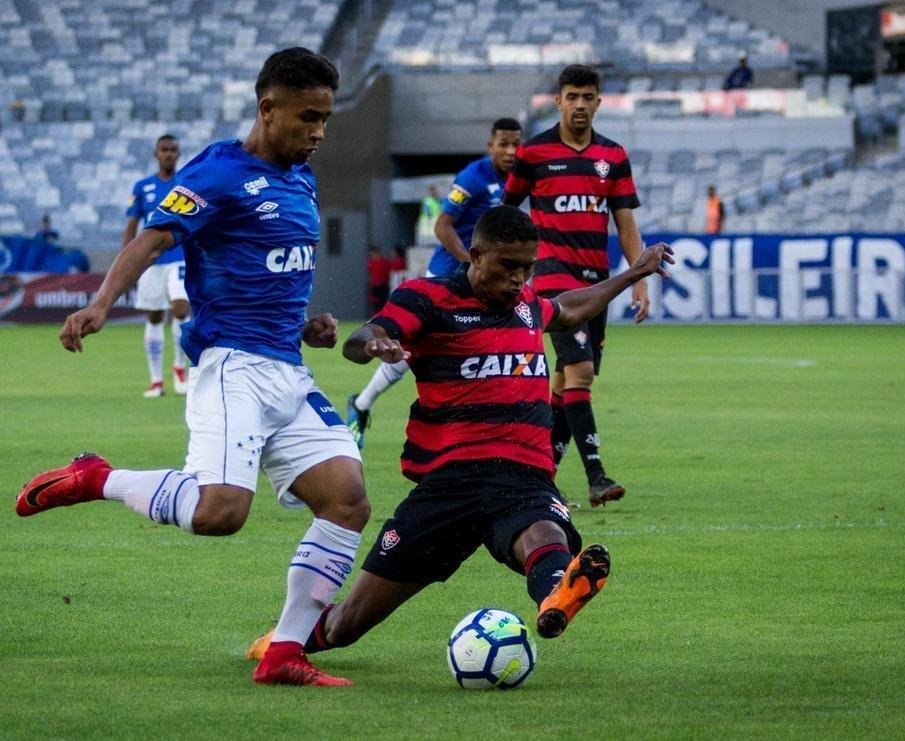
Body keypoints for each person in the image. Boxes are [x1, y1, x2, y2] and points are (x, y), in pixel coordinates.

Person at [14, 47, 370, 688]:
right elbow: (151, 238)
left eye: (326, 120)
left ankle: (285, 651)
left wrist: (309, 323)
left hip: (287, 369)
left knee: (346, 501)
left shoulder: (302, 178)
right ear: (268, 108)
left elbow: (271, 271)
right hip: (231, 366)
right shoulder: (217, 172)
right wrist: (100, 303)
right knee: (220, 513)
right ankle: (97, 478)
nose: (318, 133)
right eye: (308, 118)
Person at [246, 206, 674, 666]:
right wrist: (373, 344)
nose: (519, 278)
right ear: (475, 254)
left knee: (545, 533)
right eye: (508, 266)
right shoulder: (427, 298)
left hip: (521, 476)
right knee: (348, 623)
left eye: (528, 267)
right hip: (448, 485)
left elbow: (568, 308)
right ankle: (284, 642)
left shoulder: (527, 304)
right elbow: (364, 336)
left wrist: (632, 274)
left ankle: (557, 593)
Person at [502, 64, 648, 508]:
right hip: (553, 281)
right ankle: (597, 476)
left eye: (588, 97)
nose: (580, 105)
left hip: (597, 284)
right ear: (559, 100)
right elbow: (506, 213)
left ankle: (539, 475)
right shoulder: (534, 154)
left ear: (599, 102)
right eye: (572, 96)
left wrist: (638, 280)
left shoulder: (613, 157)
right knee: (580, 372)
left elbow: (625, 224)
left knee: (567, 383)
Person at [346, 118, 524, 448]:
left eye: (516, 144)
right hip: (446, 276)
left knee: (487, 348)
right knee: (408, 354)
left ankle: (480, 426)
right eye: (504, 144)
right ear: (491, 146)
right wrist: (474, 262)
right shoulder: (473, 177)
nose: (511, 151)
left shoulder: (518, 179)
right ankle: (361, 405)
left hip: (483, 283)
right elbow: (443, 227)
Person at [125, 134, 191, 398]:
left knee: (180, 308)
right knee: (154, 317)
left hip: (179, 256)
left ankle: (179, 367)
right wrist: (129, 262)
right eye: (164, 150)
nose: (168, 154)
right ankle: (156, 380)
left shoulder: (186, 183)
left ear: (178, 154)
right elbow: (131, 225)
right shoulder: (142, 187)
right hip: (150, 261)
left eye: (173, 150)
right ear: (156, 154)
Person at [367, 244, 392, 314]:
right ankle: (375, 317)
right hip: (374, 286)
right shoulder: (370, 262)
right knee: (375, 303)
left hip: (383, 286)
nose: (371, 255)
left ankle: (383, 317)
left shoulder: (385, 261)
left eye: (372, 253)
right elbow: (370, 274)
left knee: (383, 303)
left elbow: (389, 273)